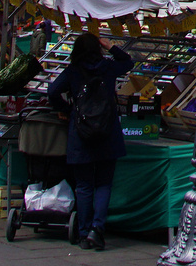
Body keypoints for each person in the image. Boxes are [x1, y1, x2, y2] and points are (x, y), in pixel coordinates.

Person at [47, 32, 134, 252]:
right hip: (108, 133)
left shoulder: (73, 71)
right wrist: (111, 46)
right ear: (97, 49)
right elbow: (128, 62)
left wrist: (68, 111)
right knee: (103, 184)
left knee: (84, 186)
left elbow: (52, 92)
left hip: (81, 134)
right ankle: (98, 229)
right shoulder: (108, 68)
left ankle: (84, 234)